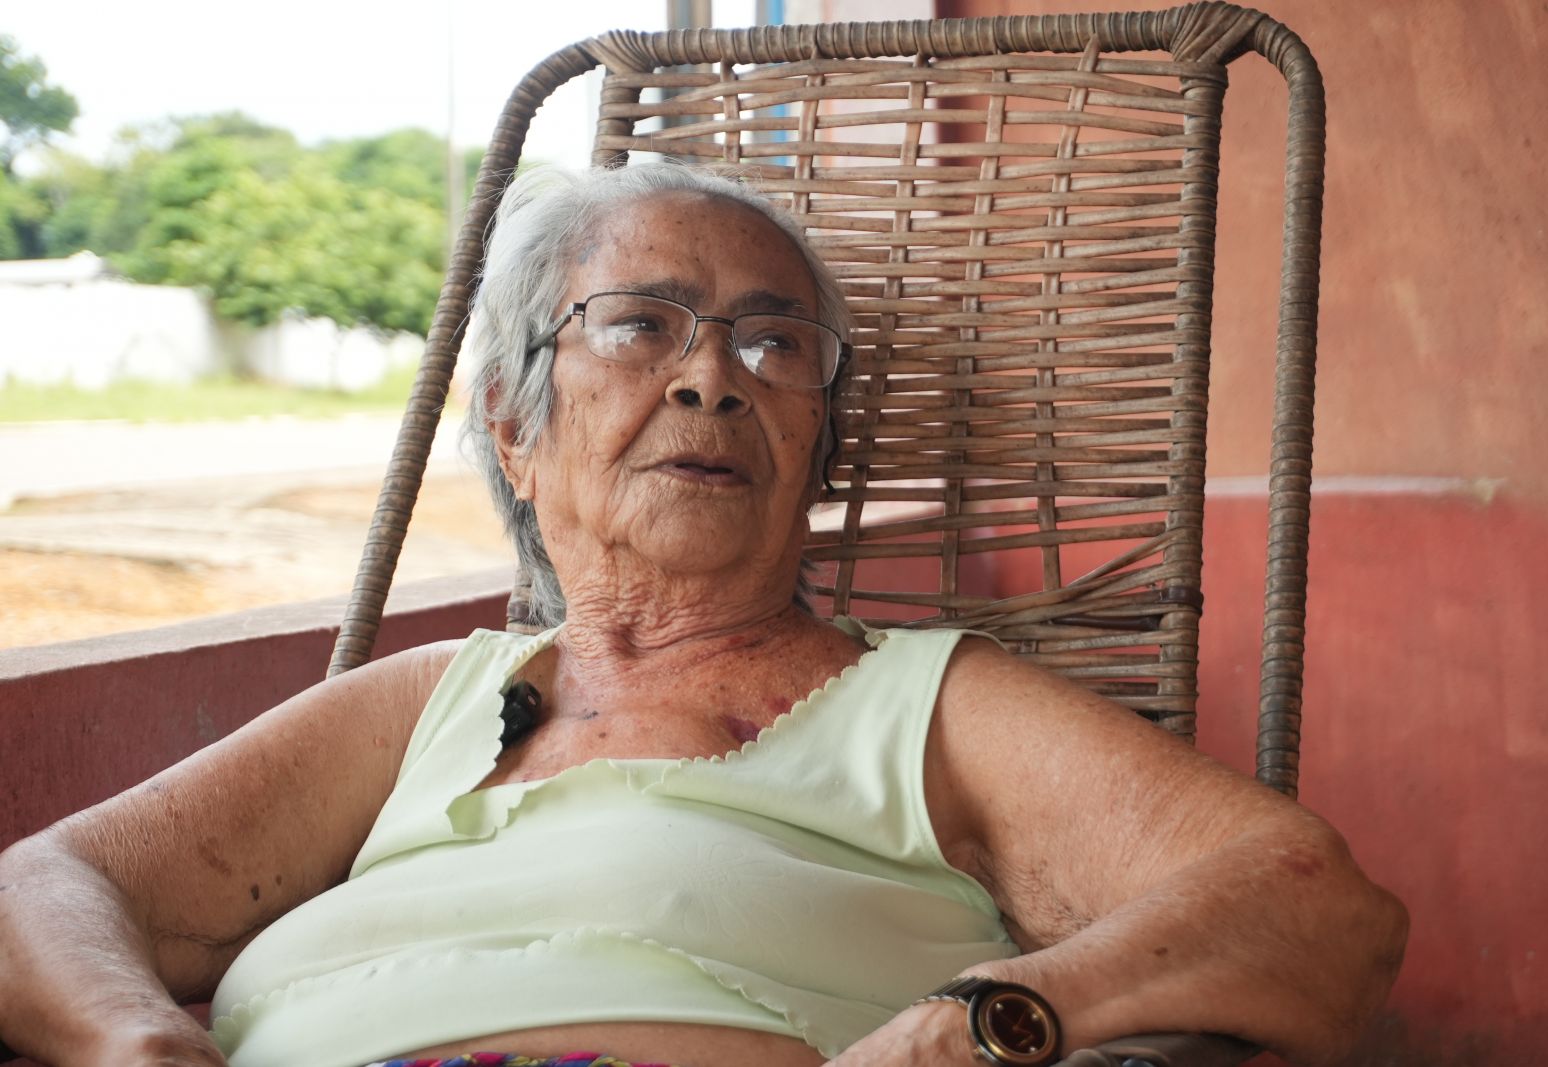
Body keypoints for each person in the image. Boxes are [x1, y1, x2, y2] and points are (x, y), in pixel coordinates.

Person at [0, 165, 1406, 1067]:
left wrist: (972, 1029)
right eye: (644, 323)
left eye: (774, 342)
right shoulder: (421, 703)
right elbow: (45, 889)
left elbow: (1311, 908)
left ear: (821, 447)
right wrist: (132, 1041)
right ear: (515, 424)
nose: (714, 378)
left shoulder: (923, 710)